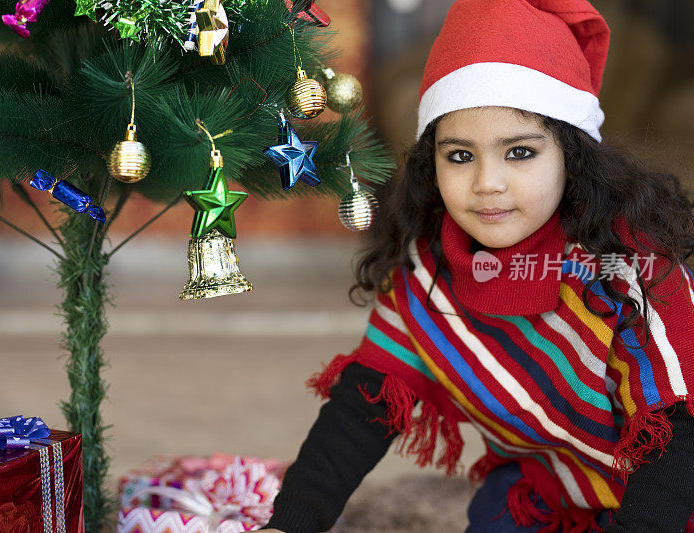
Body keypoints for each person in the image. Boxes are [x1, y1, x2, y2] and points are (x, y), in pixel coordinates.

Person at [259, 0, 694, 532]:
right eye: (460, 156)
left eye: (520, 153)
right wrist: (290, 522)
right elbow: (365, 402)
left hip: (666, 495)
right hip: (545, 491)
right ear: (431, 163)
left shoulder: (631, 275)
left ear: (572, 156)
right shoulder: (429, 271)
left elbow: (674, 436)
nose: (487, 183)